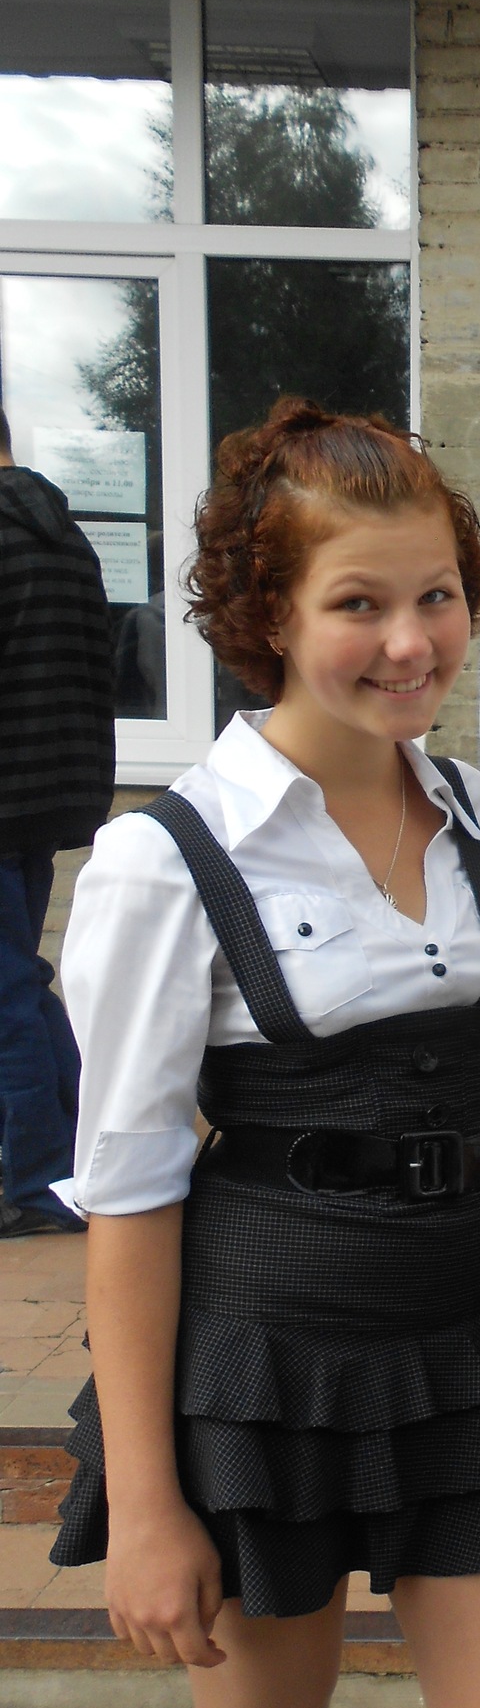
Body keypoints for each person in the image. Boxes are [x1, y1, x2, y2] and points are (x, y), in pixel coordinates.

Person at [49, 400, 480, 1708]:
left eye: (437, 595)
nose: (410, 641)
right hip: (260, 1356)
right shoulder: (171, 856)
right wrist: (149, 1502)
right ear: (269, 615)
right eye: (359, 602)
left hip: (459, 1336)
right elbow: (131, 1196)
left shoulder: (478, 807)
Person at [0, 404, 116, 1238]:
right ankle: (81, 1152)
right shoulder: (62, 535)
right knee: (18, 980)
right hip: (44, 791)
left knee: (5, 991)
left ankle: (37, 1178)